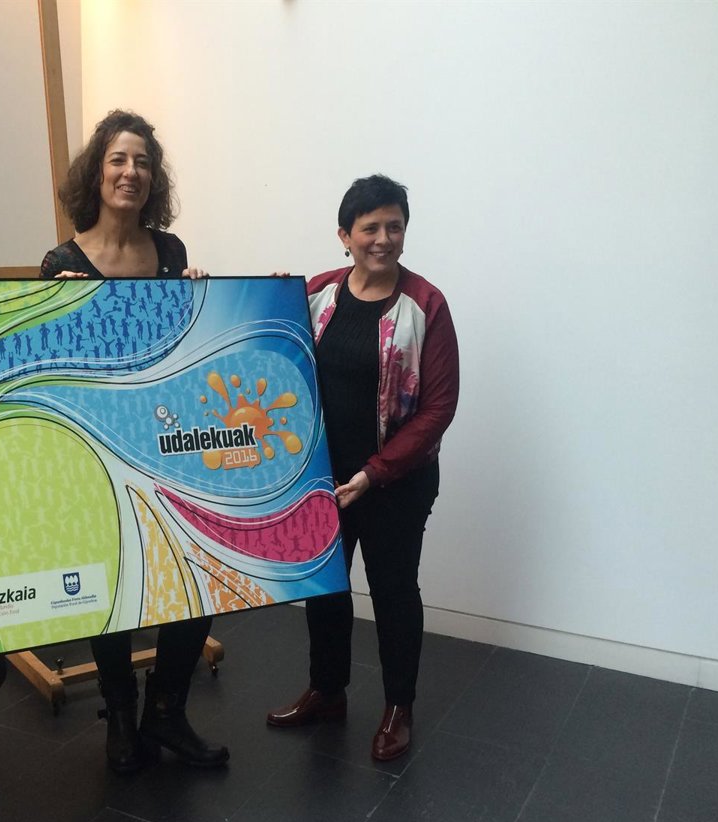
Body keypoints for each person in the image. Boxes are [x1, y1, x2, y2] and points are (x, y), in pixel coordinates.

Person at [39, 110, 228, 773]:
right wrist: (55, 311)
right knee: (112, 586)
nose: (132, 172)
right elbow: (50, 369)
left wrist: (199, 303)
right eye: (119, 159)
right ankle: (120, 715)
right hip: (96, 450)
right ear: (96, 172)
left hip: (166, 444)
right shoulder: (62, 262)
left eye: (143, 162)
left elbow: (180, 351)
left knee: (197, 575)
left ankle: (167, 712)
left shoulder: (170, 253)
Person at [266, 174, 459, 762]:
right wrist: (265, 302)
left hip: (394, 482)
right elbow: (268, 348)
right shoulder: (318, 294)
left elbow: (438, 408)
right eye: (370, 227)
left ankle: (399, 707)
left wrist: (376, 472)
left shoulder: (426, 305)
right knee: (326, 589)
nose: (383, 238)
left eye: (394, 226)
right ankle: (327, 691)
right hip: (322, 477)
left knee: (394, 591)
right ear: (344, 235)